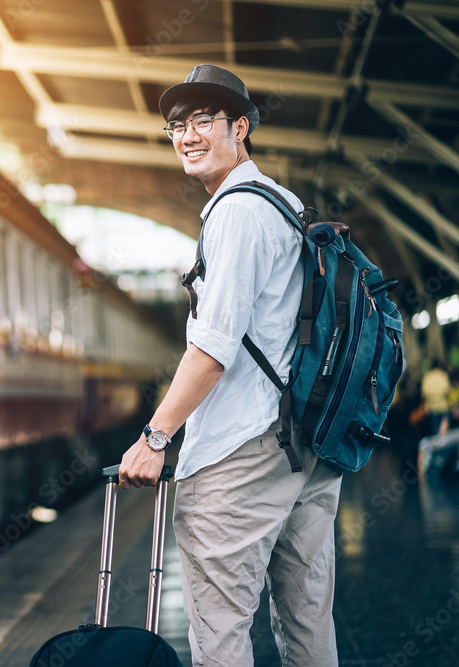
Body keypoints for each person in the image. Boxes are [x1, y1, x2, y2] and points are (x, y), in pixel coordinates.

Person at [117, 64, 342, 666]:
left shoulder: (237, 212)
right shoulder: (285, 204)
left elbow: (212, 350)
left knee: (220, 632)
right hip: (309, 446)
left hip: (242, 452)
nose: (187, 135)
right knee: (307, 621)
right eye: (176, 126)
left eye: (203, 121)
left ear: (240, 127)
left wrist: (155, 436)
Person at [421, 359, 451, 437]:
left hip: (432, 409)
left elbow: (424, 395)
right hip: (443, 408)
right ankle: (444, 448)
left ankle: (437, 448)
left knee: (435, 432)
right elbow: (448, 391)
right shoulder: (443, 375)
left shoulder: (427, 377)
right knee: (444, 432)